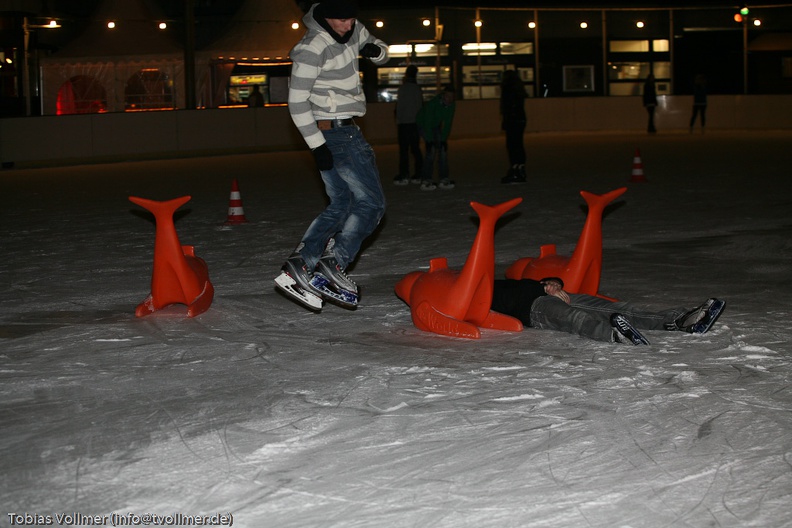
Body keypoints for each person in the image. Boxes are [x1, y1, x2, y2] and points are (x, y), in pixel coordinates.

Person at [275, 0, 389, 311]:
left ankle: (301, 263)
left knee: (342, 203)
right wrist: (317, 145)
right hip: (336, 135)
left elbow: (379, 47)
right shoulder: (312, 48)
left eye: (351, 19)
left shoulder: (355, 30)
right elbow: (297, 103)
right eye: (339, 21)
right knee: (372, 203)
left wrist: (375, 52)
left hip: (341, 131)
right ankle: (333, 263)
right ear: (324, 17)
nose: (347, 26)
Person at [491, 277, 725, 345]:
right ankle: (614, 334)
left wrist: (552, 284)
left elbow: (551, 278)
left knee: (612, 307)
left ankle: (679, 320)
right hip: (534, 309)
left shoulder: (503, 279)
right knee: (575, 318)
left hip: (553, 295)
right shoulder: (483, 291)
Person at [416, 84, 456, 191]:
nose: (450, 99)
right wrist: (429, 141)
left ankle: (444, 177)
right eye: (448, 96)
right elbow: (427, 122)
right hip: (422, 123)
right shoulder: (432, 104)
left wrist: (443, 140)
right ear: (443, 96)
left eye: (452, 97)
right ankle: (426, 179)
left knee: (442, 150)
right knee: (431, 151)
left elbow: (447, 123)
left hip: (435, 125)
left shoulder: (452, 106)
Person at [393, 65, 424, 186]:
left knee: (404, 150)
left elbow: (399, 107)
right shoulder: (417, 88)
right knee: (415, 149)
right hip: (414, 123)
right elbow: (420, 106)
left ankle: (404, 173)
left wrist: (398, 120)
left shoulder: (402, 88)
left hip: (403, 124)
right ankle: (419, 172)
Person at [499, 69, 528, 184]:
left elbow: (507, 106)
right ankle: (520, 168)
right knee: (518, 144)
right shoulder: (519, 89)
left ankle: (515, 169)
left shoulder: (507, 89)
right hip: (520, 119)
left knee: (512, 145)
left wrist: (506, 120)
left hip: (513, 120)